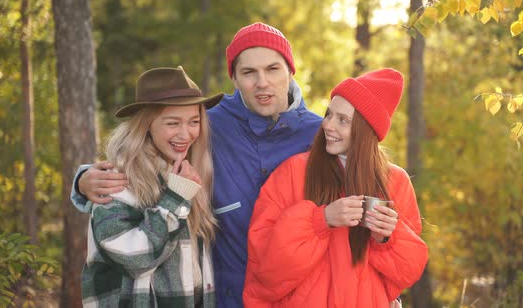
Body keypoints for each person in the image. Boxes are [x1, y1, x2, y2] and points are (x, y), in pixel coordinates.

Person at [70, 23, 322, 307]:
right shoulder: (210, 122)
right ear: (235, 79)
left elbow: (366, 174)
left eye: (273, 69)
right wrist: (84, 180)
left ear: (290, 72)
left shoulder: (321, 134)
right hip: (228, 295)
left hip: (298, 296)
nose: (262, 82)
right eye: (249, 72)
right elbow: (148, 148)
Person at [243, 68, 428, 307]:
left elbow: (406, 274)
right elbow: (265, 265)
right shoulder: (292, 172)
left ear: (366, 130)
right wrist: (320, 220)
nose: (328, 126)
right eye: (329, 114)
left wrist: (386, 239)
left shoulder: (396, 181)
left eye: (343, 120)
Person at [80, 66, 223, 307]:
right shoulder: (117, 180)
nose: (185, 134)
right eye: (172, 123)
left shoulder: (188, 171)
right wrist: (176, 198)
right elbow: (135, 259)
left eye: (194, 121)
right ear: (147, 124)